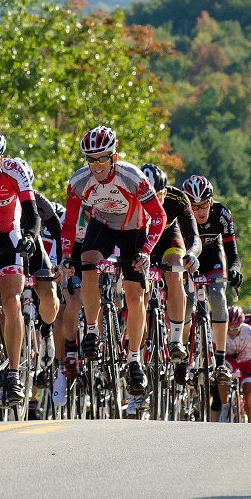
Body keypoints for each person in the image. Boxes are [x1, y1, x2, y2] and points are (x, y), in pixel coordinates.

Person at [61, 126, 166, 397]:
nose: (96, 165)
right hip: (103, 226)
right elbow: (70, 223)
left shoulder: (133, 177)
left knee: (134, 293)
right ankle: (93, 331)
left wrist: (146, 250)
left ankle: (134, 360)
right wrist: (64, 257)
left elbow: (159, 217)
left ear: (113, 156)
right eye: (91, 159)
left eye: (102, 158)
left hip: (135, 229)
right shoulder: (78, 182)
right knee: (87, 262)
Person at [0, 129, 57, 405]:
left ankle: (14, 375)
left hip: (10, 235)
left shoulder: (15, 171)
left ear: (2, 159)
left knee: (11, 301)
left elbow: (33, 214)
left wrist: (30, 237)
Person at [181, 174, 240, 387]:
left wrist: (234, 270)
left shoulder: (221, 214)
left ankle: (221, 361)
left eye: (204, 204)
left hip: (213, 255)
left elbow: (232, 253)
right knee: (186, 304)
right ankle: (182, 353)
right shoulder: (181, 217)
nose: (200, 211)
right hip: (188, 258)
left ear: (211, 201)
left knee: (218, 297)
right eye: (194, 207)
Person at [140, 163, 201, 365]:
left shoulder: (177, 199)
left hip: (168, 238)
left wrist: (191, 253)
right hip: (141, 237)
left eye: (157, 197)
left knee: (175, 269)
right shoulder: (130, 197)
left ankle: (176, 340)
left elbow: (193, 236)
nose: (153, 204)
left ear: (164, 193)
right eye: (147, 198)